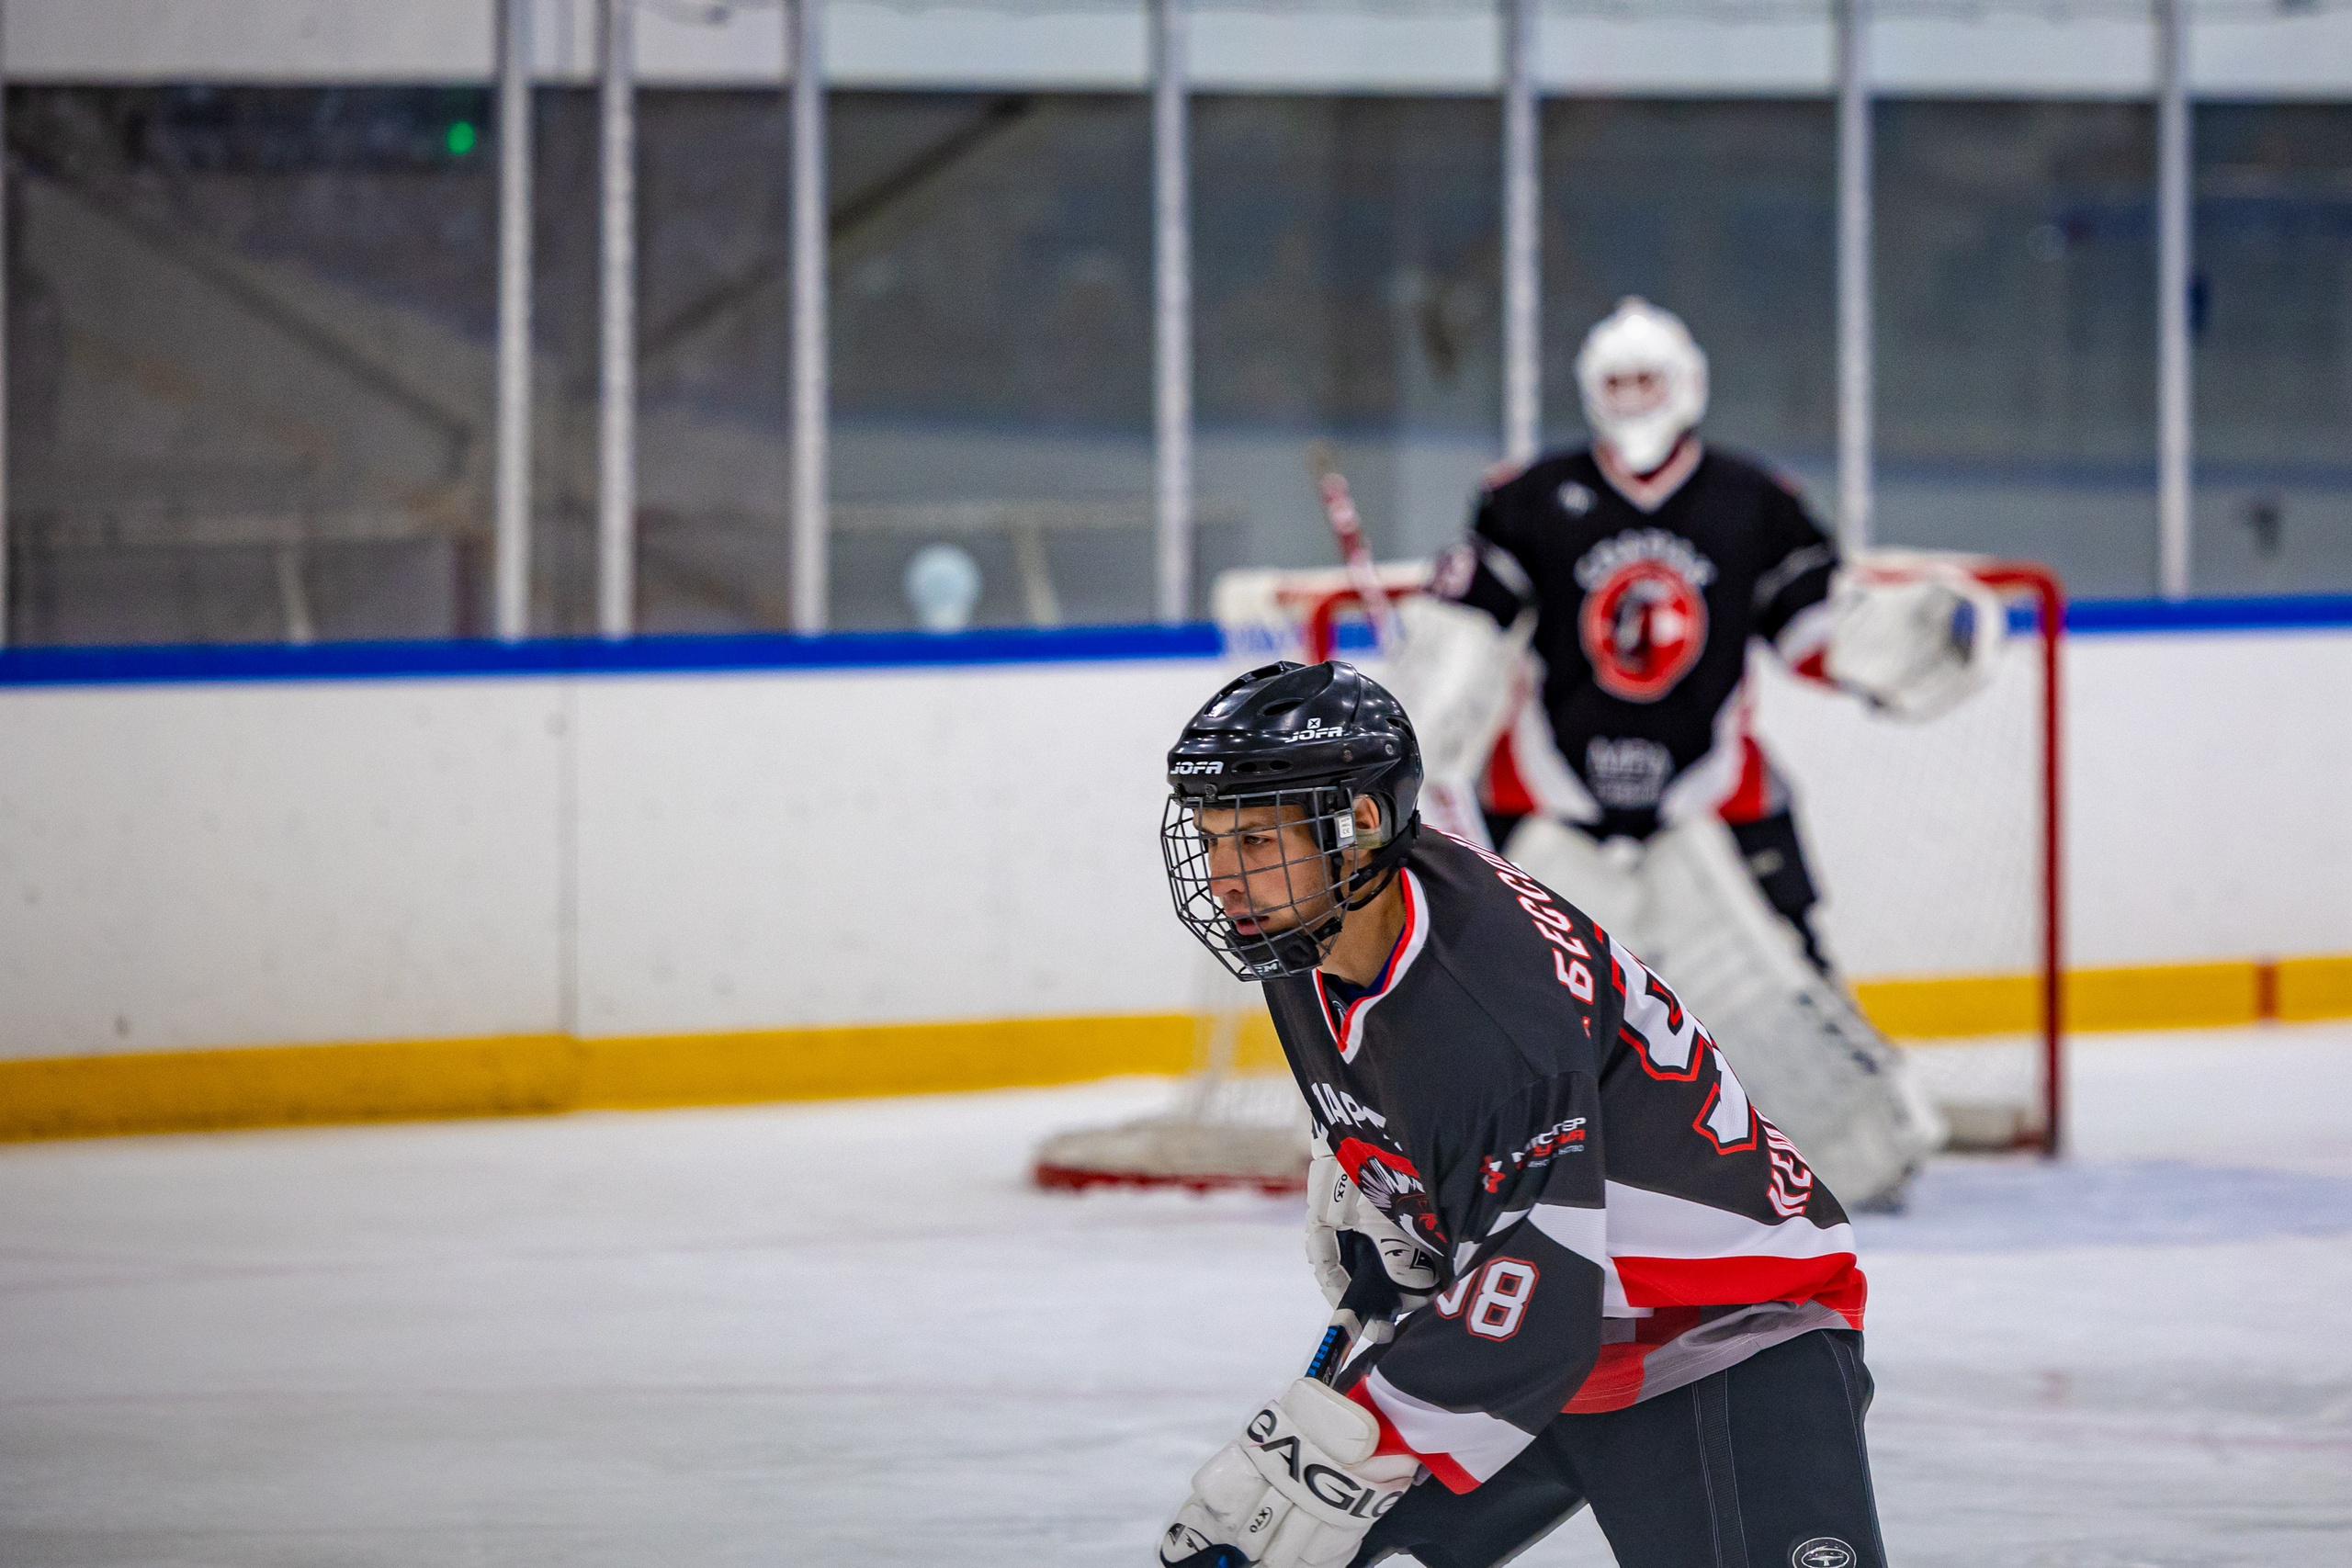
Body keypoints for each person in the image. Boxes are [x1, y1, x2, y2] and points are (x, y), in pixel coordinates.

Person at [1154, 659, 1886, 1568]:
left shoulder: (1485, 1004)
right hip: (1560, 1327)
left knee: (1317, 1501)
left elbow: (1538, 1302)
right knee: (1296, 1545)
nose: (1224, 878)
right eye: (1213, 840)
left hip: (1721, 1330)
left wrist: (1348, 1444)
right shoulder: (1311, 933)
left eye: (1257, 843)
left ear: (1362, 826)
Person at [1382, 297, 2003, 1207]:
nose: (1633, 399)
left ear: (1688, 387)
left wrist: (1901, 648)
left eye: (1649, 380)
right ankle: (1443, 1154)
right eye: (1616, 382)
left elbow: (1814, 631)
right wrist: (1430, 690)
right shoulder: (1526, 498)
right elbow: (1470, 625)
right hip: (1551, 799)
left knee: (1783, 991)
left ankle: (1849, 1147)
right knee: (1489, 992)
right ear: (1590, 392)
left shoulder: (1754, 503)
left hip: (1711, 798)